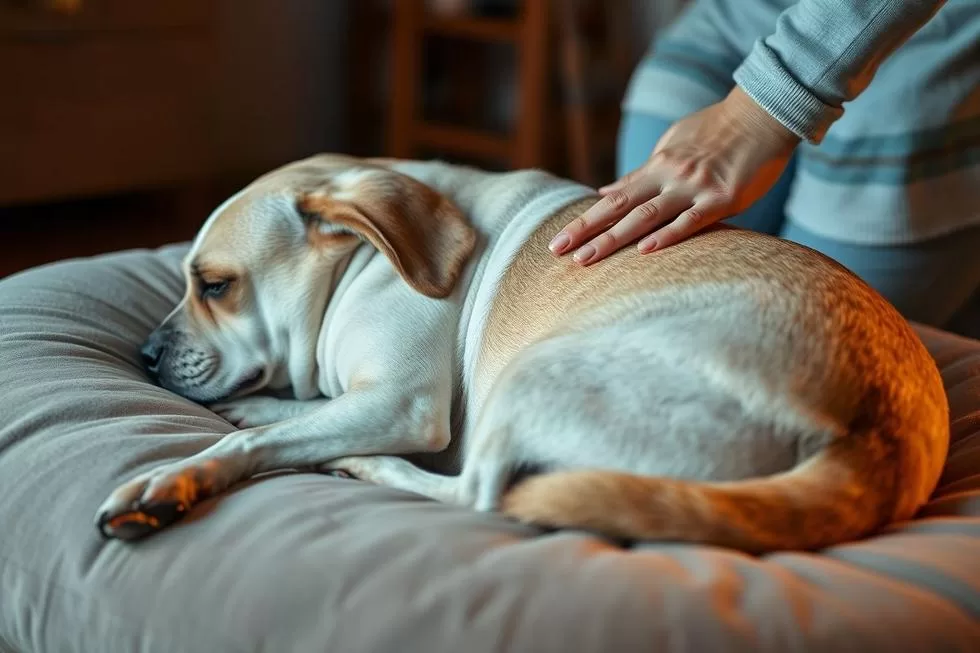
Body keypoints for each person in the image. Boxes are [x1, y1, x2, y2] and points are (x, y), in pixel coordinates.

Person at [549, 0, 980, 337]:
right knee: (634, 298)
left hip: (937, 40)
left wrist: (758, 111)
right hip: (743, 18)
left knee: (801, 349)